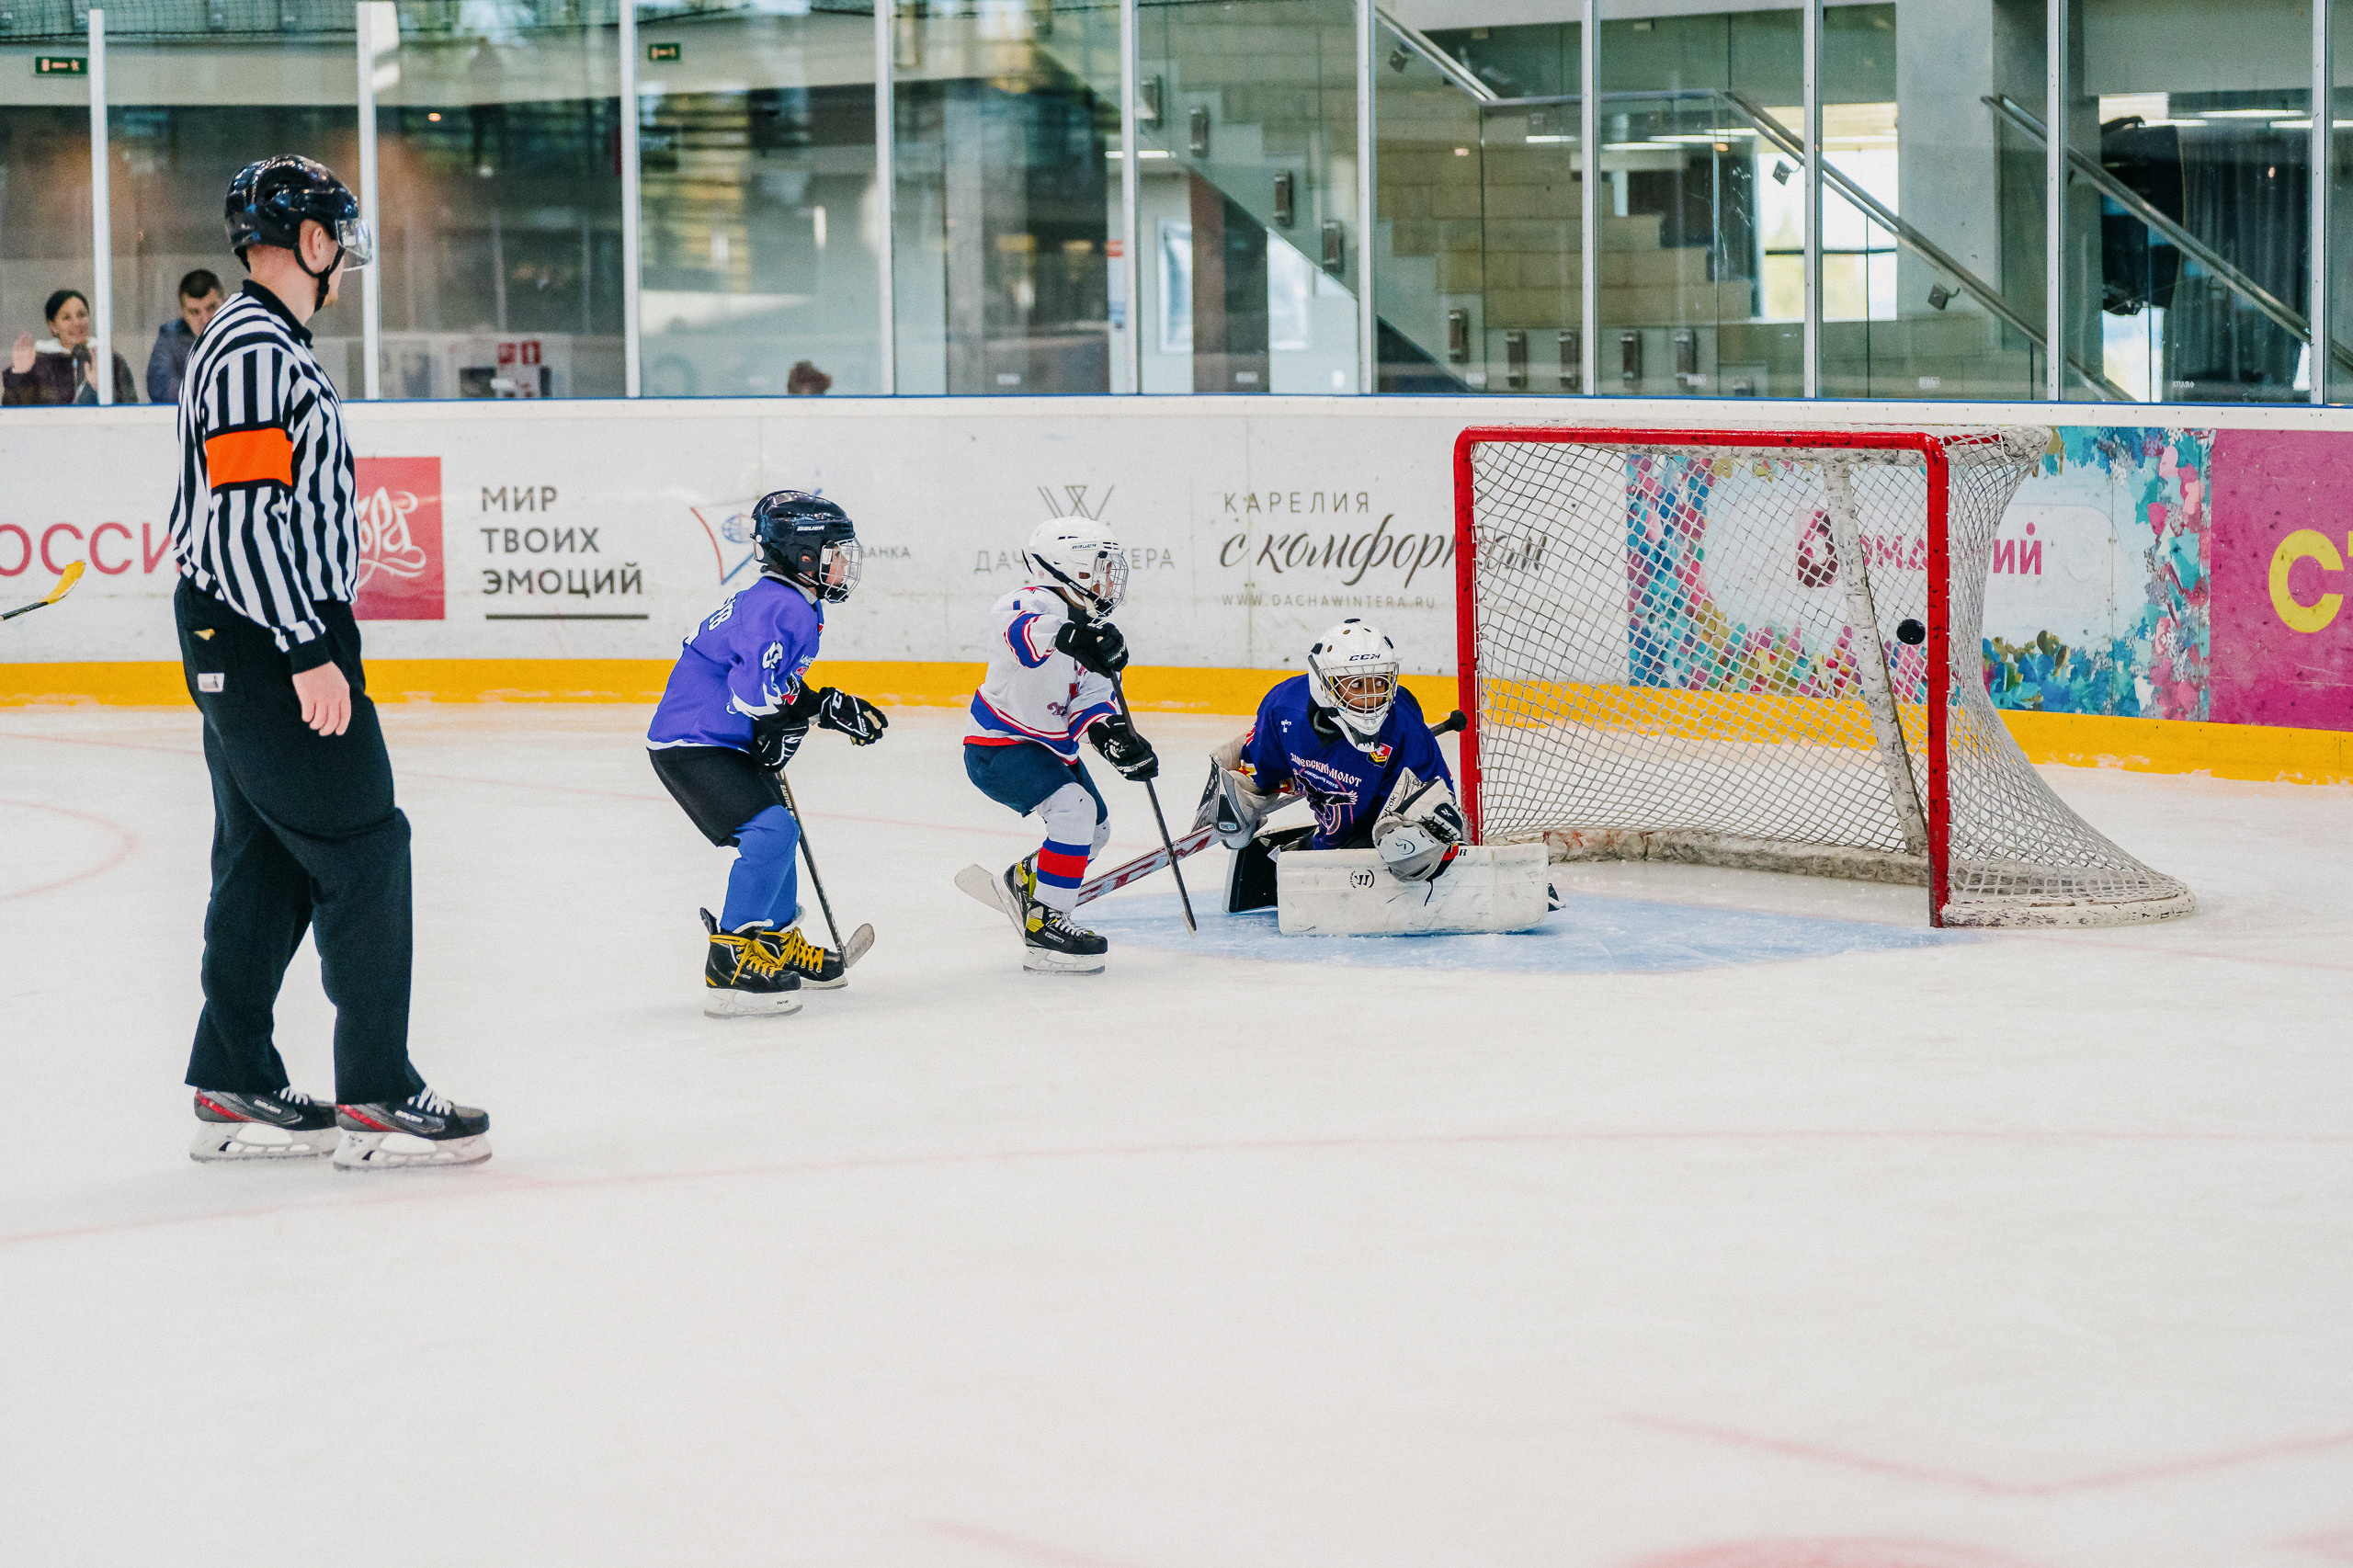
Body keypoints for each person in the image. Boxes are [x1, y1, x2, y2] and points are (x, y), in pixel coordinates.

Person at [172, 153, 491, 1172]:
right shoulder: (257, 350)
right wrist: (309, 649)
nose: (344, 254)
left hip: (252, 631)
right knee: (362, 843)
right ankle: (378, 1090)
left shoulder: (257, 343)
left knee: (269, 853)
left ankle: (234, 1075)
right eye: (335, 233)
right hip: (271, 634)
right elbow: (245, 517)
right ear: (305, 239)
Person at [647, 490, 888, 1017]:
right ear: (803, 555)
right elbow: (754, 696)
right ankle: (730, 958)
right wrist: (819, 708)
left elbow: (768, 685)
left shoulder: (787, 599)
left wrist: (818, 707)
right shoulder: (779, 605)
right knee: (771, 832)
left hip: (720, 737)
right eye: (835, 551)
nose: (845, 563)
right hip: (693, 744)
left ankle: (773, 943)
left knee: (781, 829)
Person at [963, 517, 1158, 973]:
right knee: (1074, 811)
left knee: (1095, 832)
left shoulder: (1093, 627)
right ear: (1065, 567)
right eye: (1099, 568)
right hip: (1000, 746)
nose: (1110, 579)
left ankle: (1025, 880)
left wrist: (1116, 739)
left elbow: (1090, 702)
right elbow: (1024, 635)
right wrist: (1073, 637)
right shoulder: (1026, 602)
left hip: (1053, 748)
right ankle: (1045, 927)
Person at [1207, 619, 1464, 912]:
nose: (1370, 698)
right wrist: (1244, 792)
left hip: (1375, 846)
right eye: (1356, 684)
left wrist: (1424, 841)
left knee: (1404, 844)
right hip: (1332, 837)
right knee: (1285, 872)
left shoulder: (1406, 731)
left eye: (1379, 682)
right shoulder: (1284, 710)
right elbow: (1264, 772)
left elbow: (1438, 811)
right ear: (1324, 684)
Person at [5, 287, 137, 405]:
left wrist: (101, 389)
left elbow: (130, 410)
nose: (76, 323)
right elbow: (13, 413)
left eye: (81, 315)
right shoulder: (38, 363)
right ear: (53, 326)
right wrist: (20, 376)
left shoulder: (111, 360)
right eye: (66, 318)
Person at [146, 268, 223, 405]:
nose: (205, 319)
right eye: (195, 312)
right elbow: (161, 392)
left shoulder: (240, 333)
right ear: (183, 313)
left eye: (211, 307)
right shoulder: (170, 339)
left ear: (224, 302)